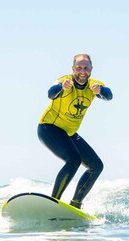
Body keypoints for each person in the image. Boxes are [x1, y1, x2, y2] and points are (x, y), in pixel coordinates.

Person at [37, 54, 113, 209]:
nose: (82, 71)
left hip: (69, 133)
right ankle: (53, 202)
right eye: (78, 68)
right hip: (49, 128)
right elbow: (50, 93)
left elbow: (109, 96)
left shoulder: (94, 85)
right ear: (73, 69)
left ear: (91, 69)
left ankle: (76, 204)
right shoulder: (64, 81)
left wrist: (100, 91)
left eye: (86, 68)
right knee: (74, 160)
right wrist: (61, 87)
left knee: (96, 166)